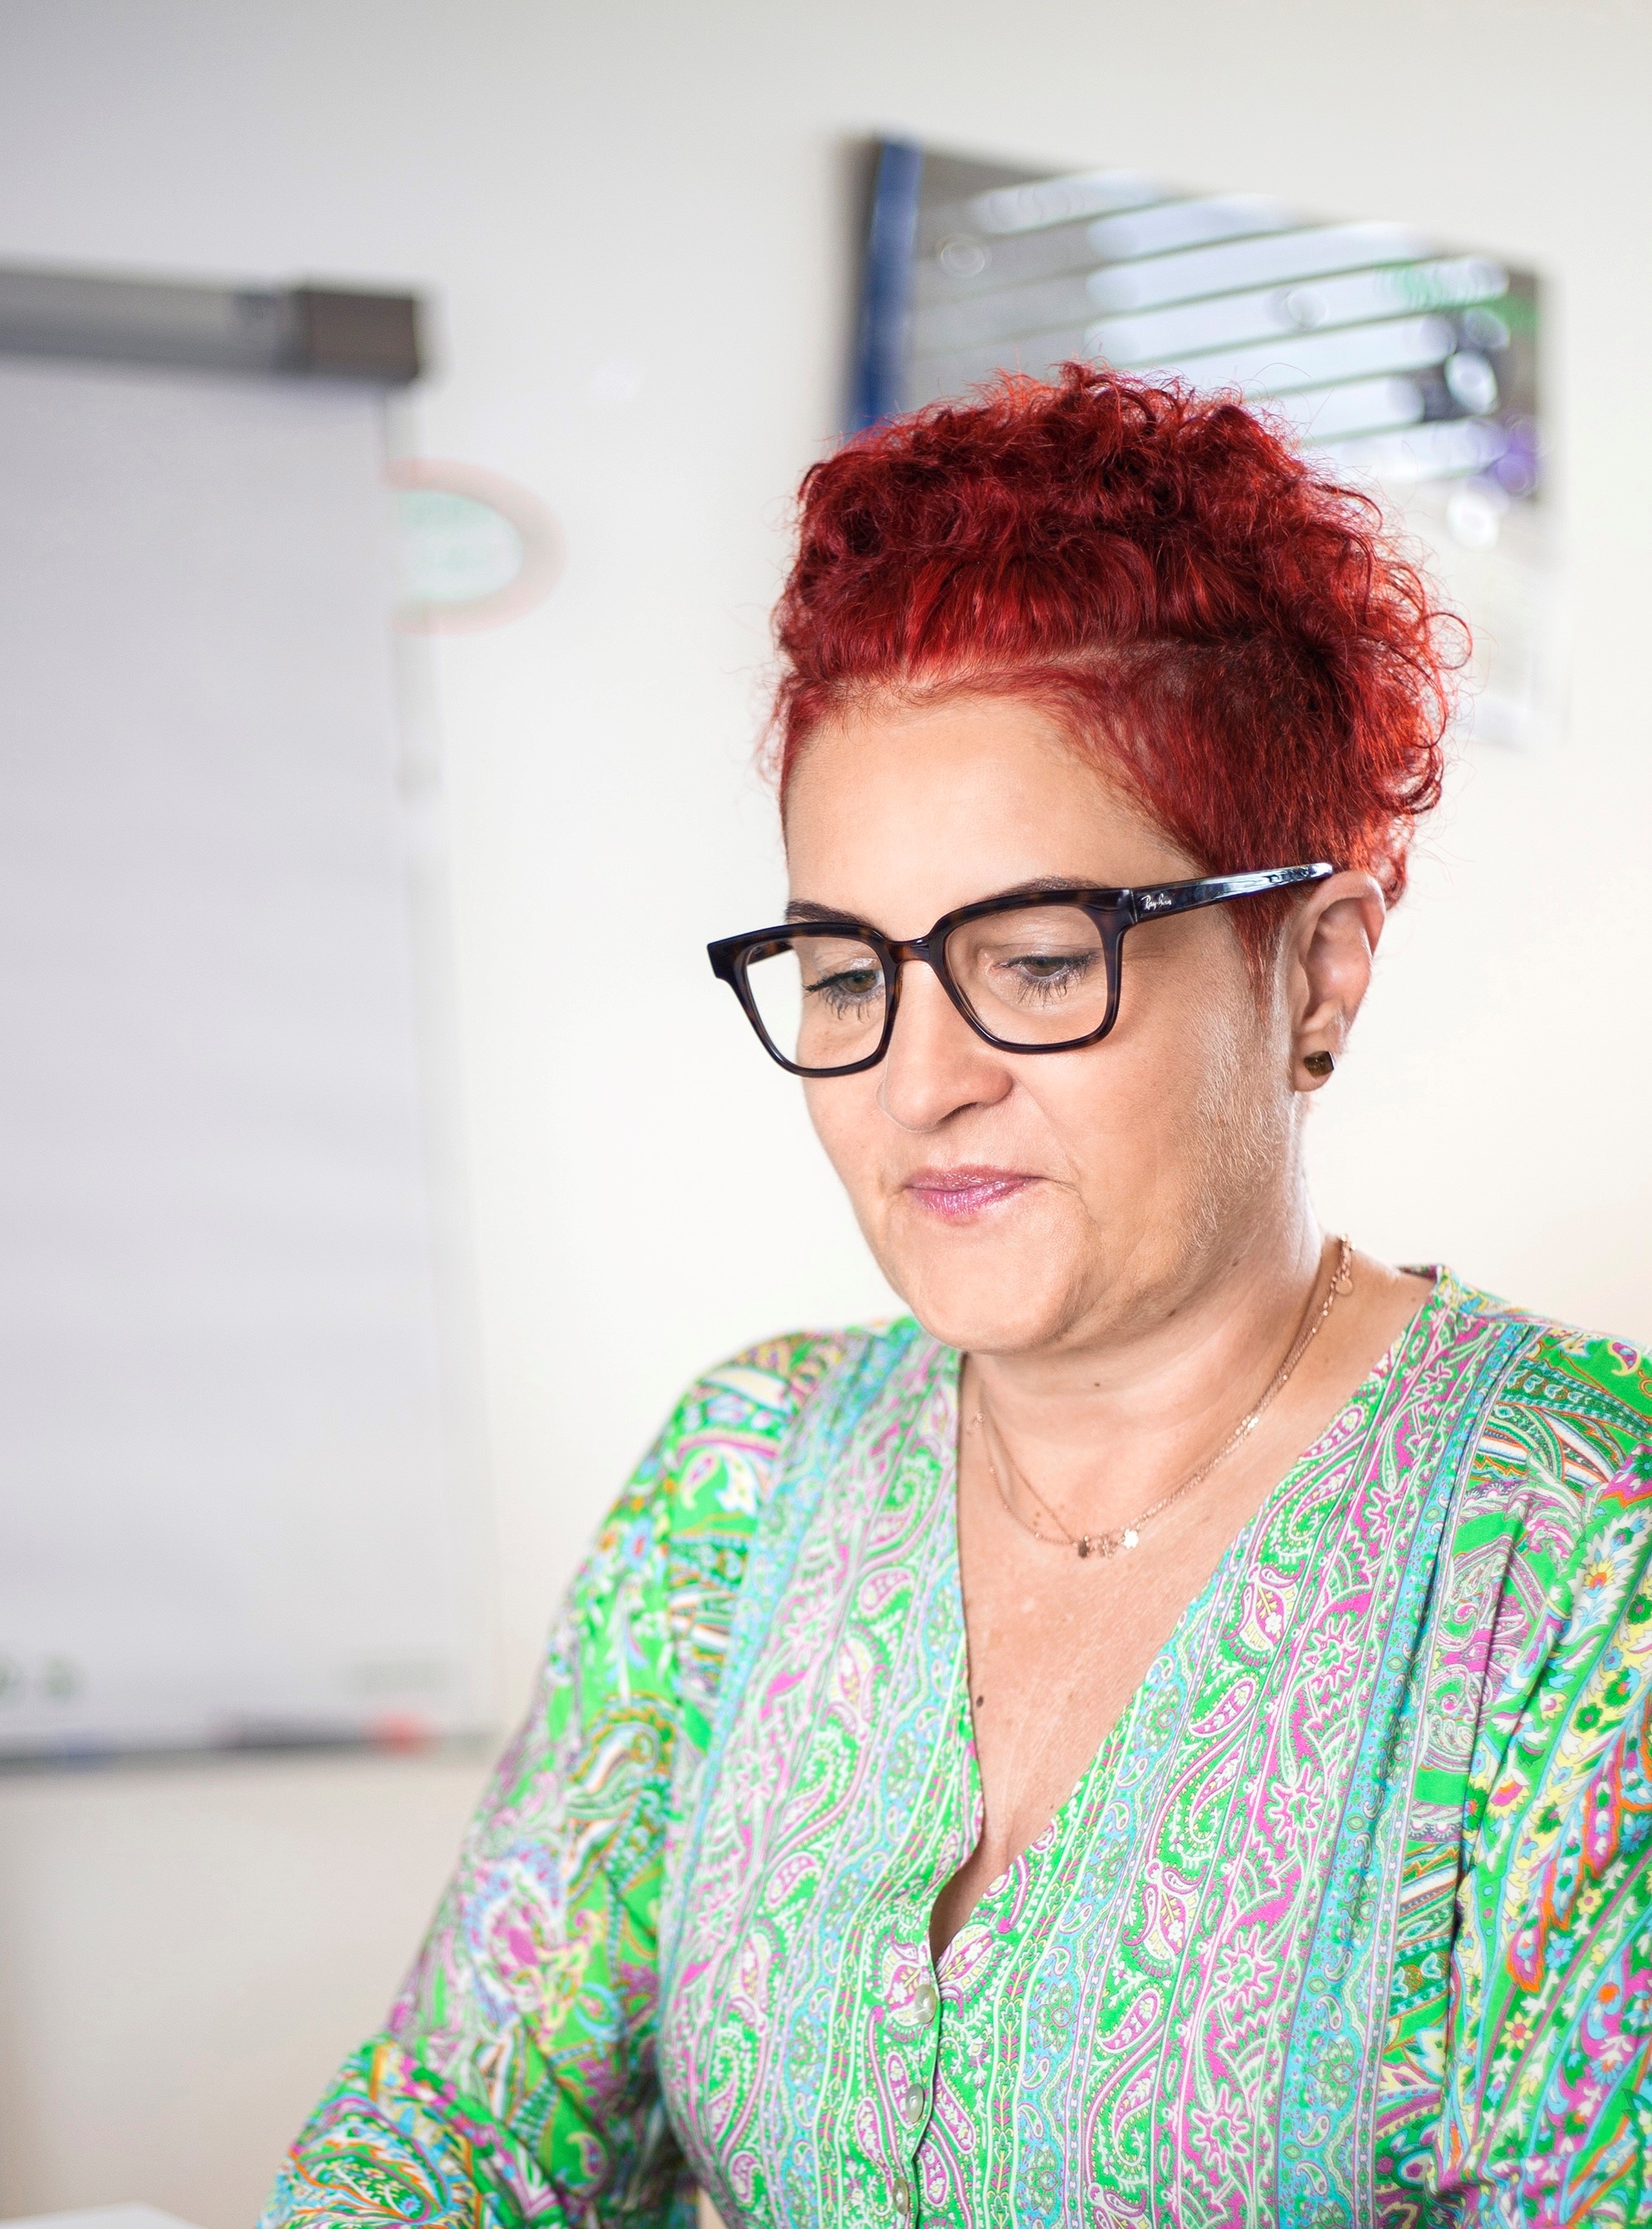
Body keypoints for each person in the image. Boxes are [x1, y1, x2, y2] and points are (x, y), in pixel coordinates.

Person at [264, 369, 1652, 2229]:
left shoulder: (1587, 1551)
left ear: (1316, 967)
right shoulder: (742, 1477)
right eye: (846, 974)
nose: (917, 1083)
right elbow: (461, 2123)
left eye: (1034, 959)